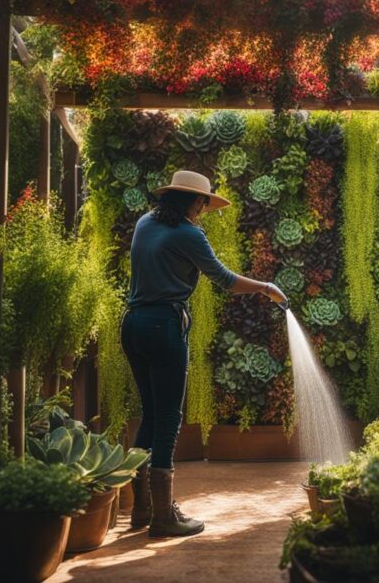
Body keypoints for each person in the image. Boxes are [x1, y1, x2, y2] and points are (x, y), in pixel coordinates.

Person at [122, 170, 287, 537]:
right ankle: (163, 516)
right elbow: (225, 280)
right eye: (203, 204)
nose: (203, 211)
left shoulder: (144, 223)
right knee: (168, 418)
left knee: (149, 413)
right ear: (194, 201)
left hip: (132, 325)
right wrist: (265, 287)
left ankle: (141, 508)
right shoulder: (188, 233)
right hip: (163, 327)